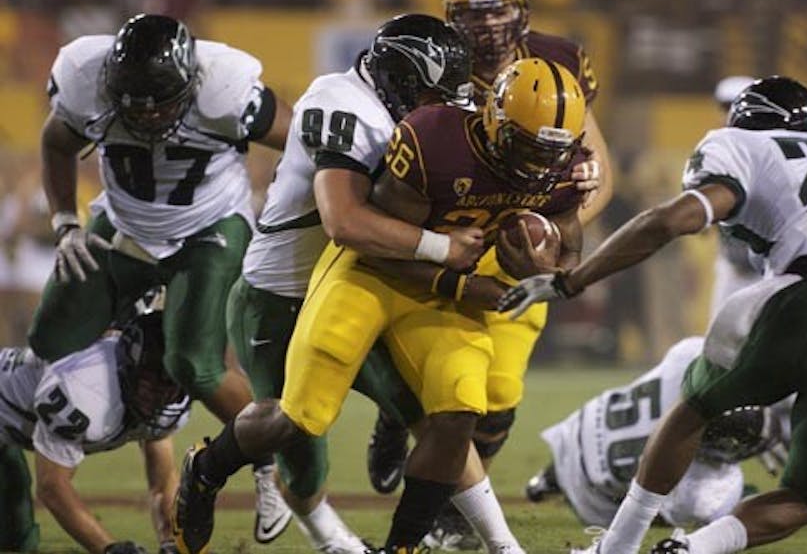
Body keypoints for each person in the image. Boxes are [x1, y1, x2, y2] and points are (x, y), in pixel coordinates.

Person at [498, 76, 807, 554]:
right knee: (806, 496)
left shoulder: (744, 146)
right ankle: (692, 550)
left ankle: (615, 549)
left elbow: (670, 221)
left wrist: (570, 282)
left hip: (800, 300)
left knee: (693, 410)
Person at [176, 57, 588, 554]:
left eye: (551, 153)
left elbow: (568, 242)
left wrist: (545, 272)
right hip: (371, 274)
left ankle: (403, 547)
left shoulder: (564, 162)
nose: (538, 166)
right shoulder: (433, 138)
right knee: (301, 417)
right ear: (496, 120)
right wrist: (461, 283)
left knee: (458, 414)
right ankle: (207, 468)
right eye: (528, 148)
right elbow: (379, 246)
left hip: (436, 290)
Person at [367, 0, 613, 550]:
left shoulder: (561, 62)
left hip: (514, 246)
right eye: (473, 15)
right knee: (444, 387)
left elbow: (597, 170)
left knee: (499, 397)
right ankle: (406, 433)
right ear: (451, 18)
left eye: (499, 11)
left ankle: (449, 498)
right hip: (448, 233)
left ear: (523, 9)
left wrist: (556, 224)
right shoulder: (432, 65)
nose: (488, 26)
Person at [223, 13, 484, 553]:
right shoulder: (342, 103)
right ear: (401, 80)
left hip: (358, 285)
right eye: (430, 97)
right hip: (282, 297)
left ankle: (500, 541)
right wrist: (442, 249)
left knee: (439, 414)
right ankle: (219, 478)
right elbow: (344, 222)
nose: (438, 113)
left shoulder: (416, 117)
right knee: (301, 449)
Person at [34, 12, 294, 542]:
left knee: (193, 365)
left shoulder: (225, 89)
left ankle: (271, 468)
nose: (149, 115)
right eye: (136, 101)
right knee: (49, 339)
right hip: (124, 220)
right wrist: (65, 222)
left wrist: (279, 211)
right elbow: (57, 141)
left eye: (162, 101)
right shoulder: (86, 79)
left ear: (191, 82)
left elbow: (303, 143)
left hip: (208, 226)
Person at [525, 336, 790, 529]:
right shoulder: (700, 483)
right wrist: (741, 490)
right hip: (594, 500)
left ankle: (546, 480)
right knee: (661, 504)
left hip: (582, 425)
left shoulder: (689, 357)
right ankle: (553, 483)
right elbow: (674, 515)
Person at [0, 288, 191, 554]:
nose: (158, 394)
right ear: (128, 366)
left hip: (16, 425)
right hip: (7, 412)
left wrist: (171, 541)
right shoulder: (83, 387)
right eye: (149, 380)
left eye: (168, 382)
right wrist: (109, 548)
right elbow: (52, 486)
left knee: (17, 538)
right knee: (14, 528)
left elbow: (162, 483)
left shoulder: (171, 401)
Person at [709, 76, 759, 317]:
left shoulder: (770, 151)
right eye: (725, 108)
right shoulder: (719, 149)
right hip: (732, 266)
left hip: (772, 270)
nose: (728, 115)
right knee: (718, 347)